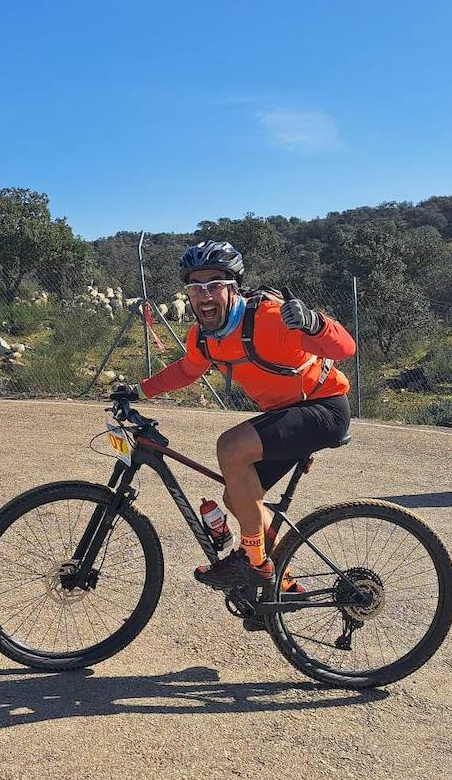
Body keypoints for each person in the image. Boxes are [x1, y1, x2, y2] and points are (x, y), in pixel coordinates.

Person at [113, 240, 356, 590]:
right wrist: (139, 391)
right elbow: (186, 370)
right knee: (237, 498)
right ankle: (282, 583)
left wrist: (314, 323)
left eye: (214, 285)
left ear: (233, 288)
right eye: (195, 287)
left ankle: (252, 561)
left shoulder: (272, 318)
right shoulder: (204, 337)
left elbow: (345, 348)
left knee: (231, 447)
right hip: (284, 414)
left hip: (324, 407)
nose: (204, 295)